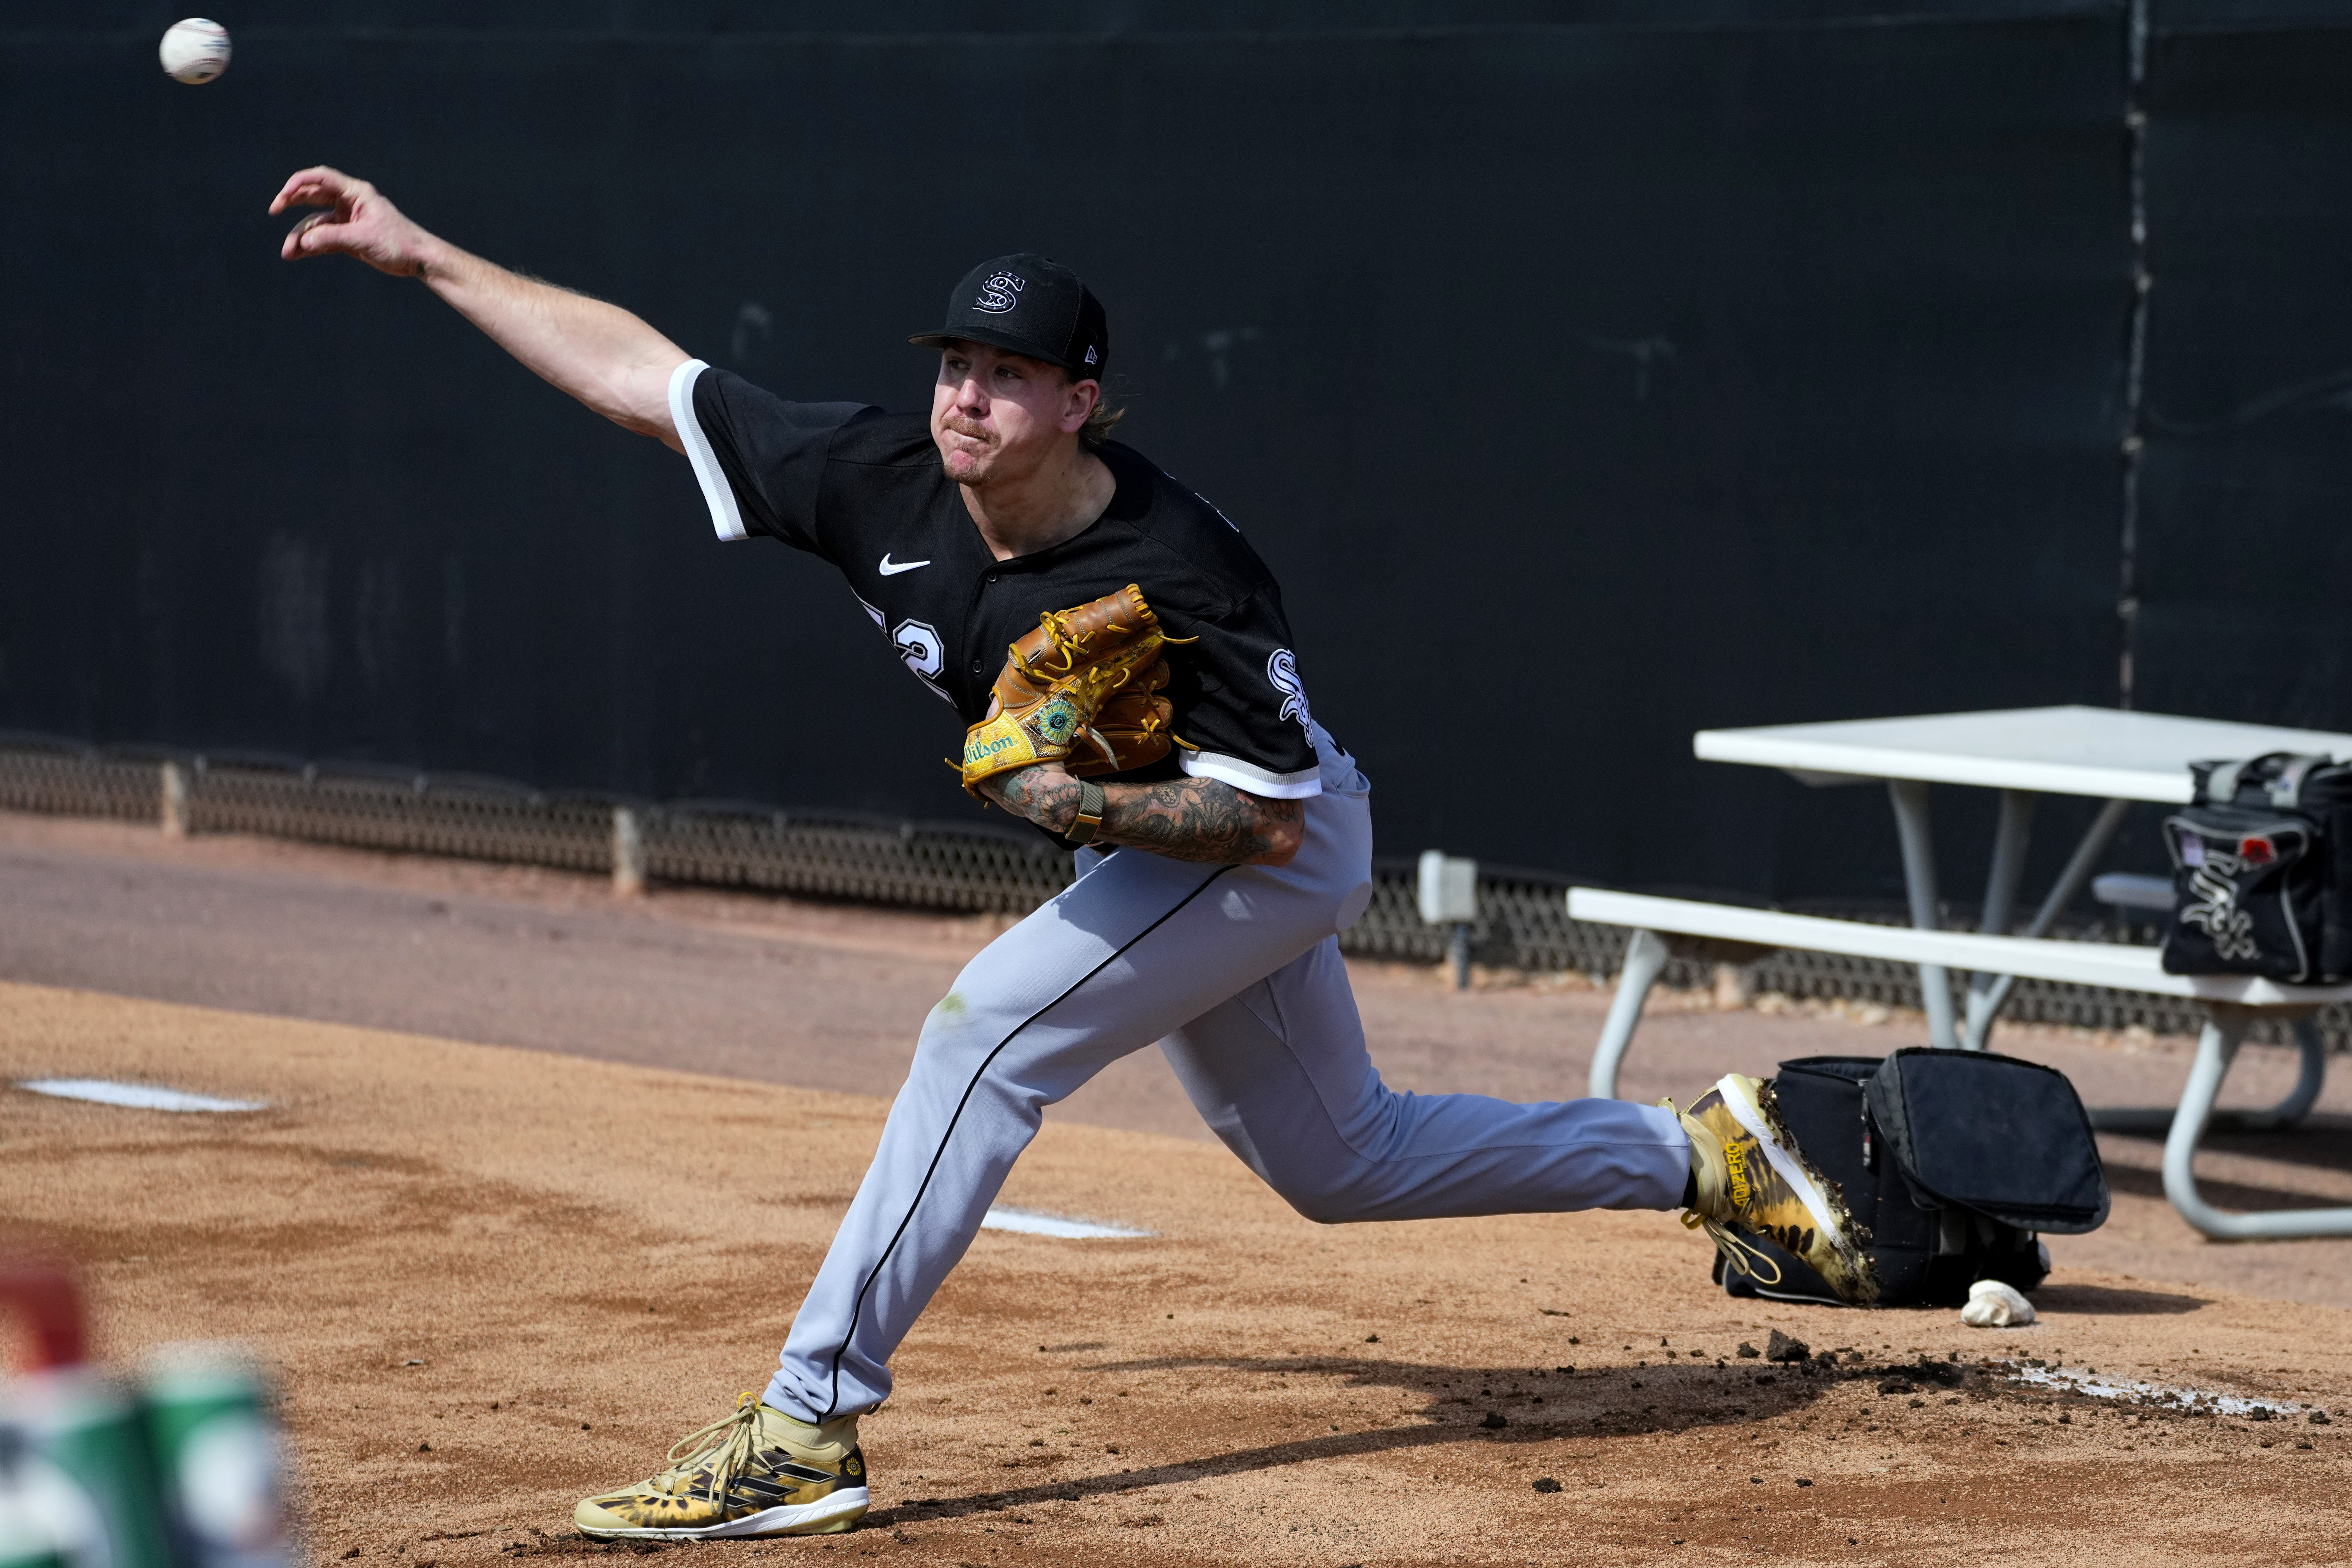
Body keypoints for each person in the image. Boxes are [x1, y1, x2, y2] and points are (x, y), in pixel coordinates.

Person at [269, 166, 1875, 1542]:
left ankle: (804, 1424)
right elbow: (652, 377)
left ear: (1079, 401)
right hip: (1200, 844)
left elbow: (1269, 821)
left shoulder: (1180, 567)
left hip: (1266, 842)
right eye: (954, 362)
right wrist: (425, 255)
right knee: (1341, 1163)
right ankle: (1697, 1155)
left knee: (981, 1034)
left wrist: (1068, 806)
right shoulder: (881, 480)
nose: (965, 396)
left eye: (1007, 373)